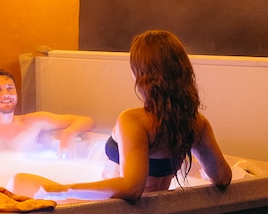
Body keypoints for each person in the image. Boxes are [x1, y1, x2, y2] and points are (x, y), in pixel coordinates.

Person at [12, 30, 232, 202]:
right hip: (155, 210)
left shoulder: (134, 120)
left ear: (140, 73)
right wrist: (206, 172)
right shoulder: (196, 122)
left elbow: (132, 188)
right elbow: (223, 178)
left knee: (18, 180)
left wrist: (64, 189)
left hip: (111, 211)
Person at [0, 68, 94, 154]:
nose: (6, 94)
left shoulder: (33, 122)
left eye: (10, 88)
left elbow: (87, 121)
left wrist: (69, 134)